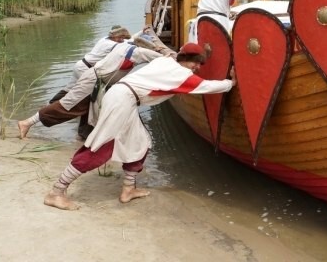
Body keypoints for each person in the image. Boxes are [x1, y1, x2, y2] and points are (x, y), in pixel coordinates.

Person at [43, 42, 236, 211]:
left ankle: (128, 189)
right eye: (195, 61)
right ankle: (56, 192)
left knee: (140, 142)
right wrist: (231, 82)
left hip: (125, 99)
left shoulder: (166, 61)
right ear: (184, 59)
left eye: (200, 63)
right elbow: (206, 86)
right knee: (102, 146)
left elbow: (168, 61)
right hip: (122, 100)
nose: (197, 67)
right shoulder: (180, 74)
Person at [18, 35, 162, 140]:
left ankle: (84, 136)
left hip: (97, 81)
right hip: (92, 81)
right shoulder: (138, 52)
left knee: (90, 110)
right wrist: (170, 53)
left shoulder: (124, 45)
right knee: (67, 105)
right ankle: (27, 123)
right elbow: (160, 58)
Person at [48, 25, 132, 103]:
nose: (122, 39)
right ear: (113, 36)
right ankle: (92, 111)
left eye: (123, 37)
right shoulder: (111, 44)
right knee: (96, 91)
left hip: (80, 65)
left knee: (70, 88)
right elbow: (127, 46)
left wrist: (141, 33)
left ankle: (51, 103)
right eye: (120, 37)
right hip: (85, 69)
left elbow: (127, 41)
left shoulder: (105, 38)